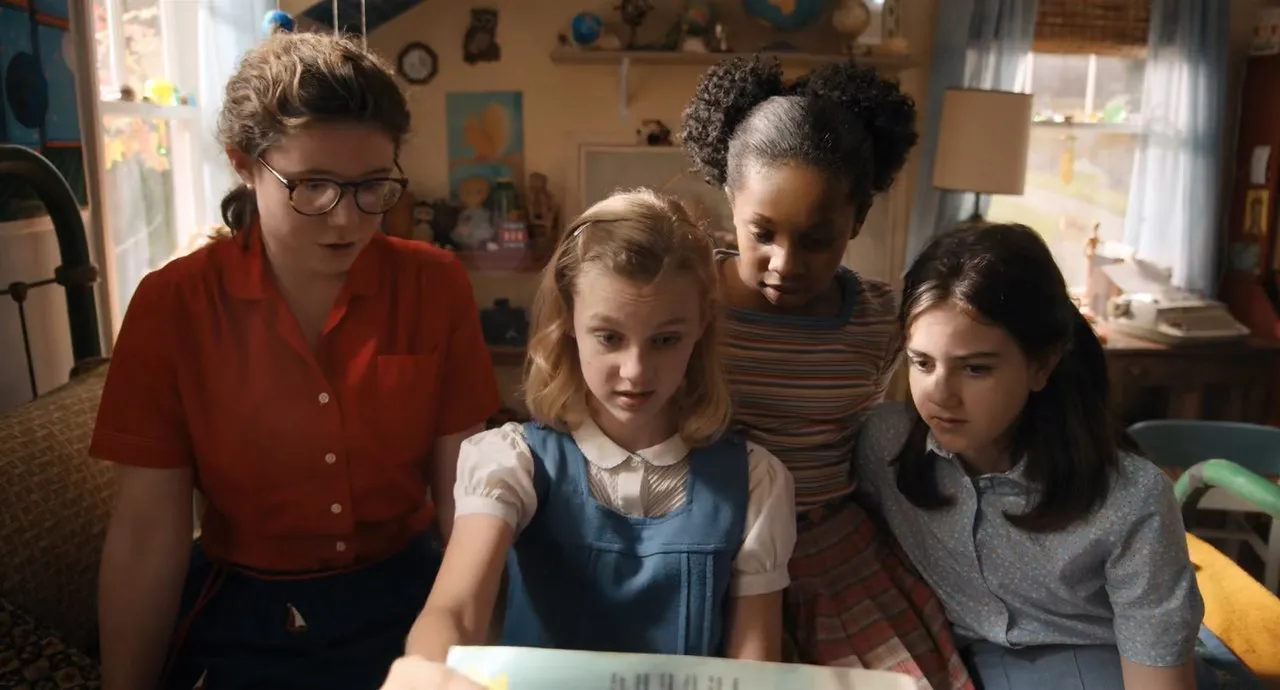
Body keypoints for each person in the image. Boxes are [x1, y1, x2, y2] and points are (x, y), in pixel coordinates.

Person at [89, 32, 502, 690]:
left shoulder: (434, 283)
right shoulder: (174, 305)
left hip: (409, 595)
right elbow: (147, 533)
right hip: (242, 607)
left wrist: (476, 653)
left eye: (373, 186)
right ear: (244, 164)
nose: (346, 220)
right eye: (313, 187)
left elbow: (466, 501)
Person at [398, 189, 797, 664]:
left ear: (702, 324)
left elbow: (754, 662)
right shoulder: (513, 462)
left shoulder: (754, 482)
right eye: (609, 337)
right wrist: (424, 669)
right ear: (569, 319)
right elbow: (455, 609)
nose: (635, 371)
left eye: (665, 340)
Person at [680, 56, 972, 689]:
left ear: (857, 221)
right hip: (704, 552)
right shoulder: (684, 302)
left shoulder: (882, 318)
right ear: (730, 199)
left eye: (816, 240)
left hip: (832, 565)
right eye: (763, 233)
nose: (785, 263)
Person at [854, 223, 1206, 690]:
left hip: (1097, 663)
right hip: (952, 659)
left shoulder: (1131, 500)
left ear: (1042, 365)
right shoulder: (884, 444)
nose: (940, 394)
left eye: (975, 368)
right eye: (923, 362)